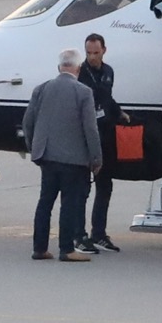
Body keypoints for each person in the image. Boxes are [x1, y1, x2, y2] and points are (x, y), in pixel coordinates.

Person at [23, 48, 103, 262]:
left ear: (59, 67)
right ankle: (66, 249)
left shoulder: (41, 89)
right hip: (73, 159)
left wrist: (34, 148)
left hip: (47, 156)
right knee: (69, 204)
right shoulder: (84, 92)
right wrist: (96, 158)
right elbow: (90, 129)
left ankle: (39, 248)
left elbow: (28, 122)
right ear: (78, 68)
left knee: (45, 202)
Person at [74, 34, 129, 254]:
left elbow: (107, 98)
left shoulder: (108, 72)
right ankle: (78, 234)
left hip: (104, 134)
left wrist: (120, 114)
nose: (92, 57)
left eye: (96, 53)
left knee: (105, 185)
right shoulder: (80, 74)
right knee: (82, 188)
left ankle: (99, 233)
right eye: (88, 53)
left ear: (104, 50)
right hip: (85, 135)